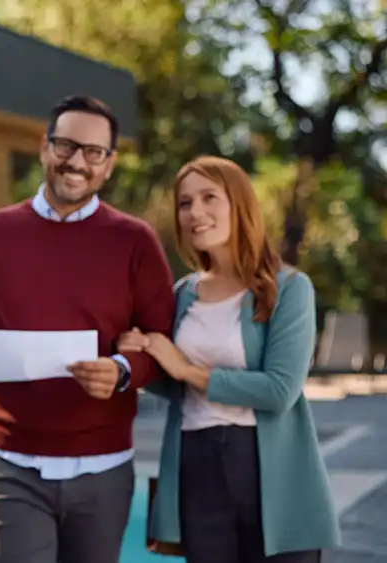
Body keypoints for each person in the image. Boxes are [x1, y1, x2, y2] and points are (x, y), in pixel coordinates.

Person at [0, 95, 176, 563]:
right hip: (10, 466)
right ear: (44, 147)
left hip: (104, 469)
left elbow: (162, 341)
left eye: (93, 152)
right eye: (66, 145)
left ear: (109, 164)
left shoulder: (135, 241)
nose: (77, 161)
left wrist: (123, 369)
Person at [120, 156, 340, 562]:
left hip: (268, 471)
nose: (195, 212)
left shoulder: (289, 289)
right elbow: (174, 384)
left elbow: (279, 390)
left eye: (208, 198)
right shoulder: (182, 293)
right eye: (185, 203)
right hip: (195, 461)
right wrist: (143, 357)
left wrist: (185, 367)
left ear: (239, 204)